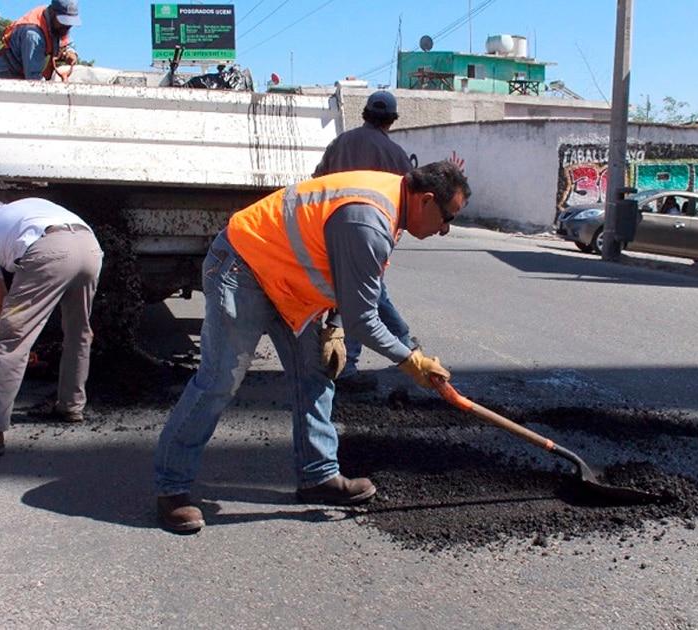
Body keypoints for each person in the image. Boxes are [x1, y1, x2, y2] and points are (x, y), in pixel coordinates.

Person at [154, 161, 471, 533]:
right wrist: (410, 360)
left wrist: (334, 324)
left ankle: (317, 475)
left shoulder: (392, 206)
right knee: (219, 379)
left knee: (315, 374)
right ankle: (171, 487)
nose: (445, 229)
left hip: (287, 281)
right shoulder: (369, 219)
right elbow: (364, 319)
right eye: (447, 218)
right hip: (245, 267)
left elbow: (344, 272)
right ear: (427, 201)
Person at [0, 197, 103, 457]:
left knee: (9, 343)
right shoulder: (26, 208)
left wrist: (21, 342)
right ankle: (71, 406)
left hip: (49, 249)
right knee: (79, 331)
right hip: (89, 246)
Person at [312, 90, 416, 393]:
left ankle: (403, 341)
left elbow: (317, 180)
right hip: (369, 236)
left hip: (331, 231)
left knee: (367, 296)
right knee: (363, 299)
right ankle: (350, 368)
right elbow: (411, 200)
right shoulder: (395, 154)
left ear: (365, 115)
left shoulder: (340, 143)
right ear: (392, 120)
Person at [0, 0, 81, 81]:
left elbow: (66, 41)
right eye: (64, 23)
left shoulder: (58, 26)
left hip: (25, 72)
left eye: (69, 24)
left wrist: (70, 51)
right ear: (52, 13)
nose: (66, 27)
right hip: (6, 73)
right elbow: (34, 78)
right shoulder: (33, 35)